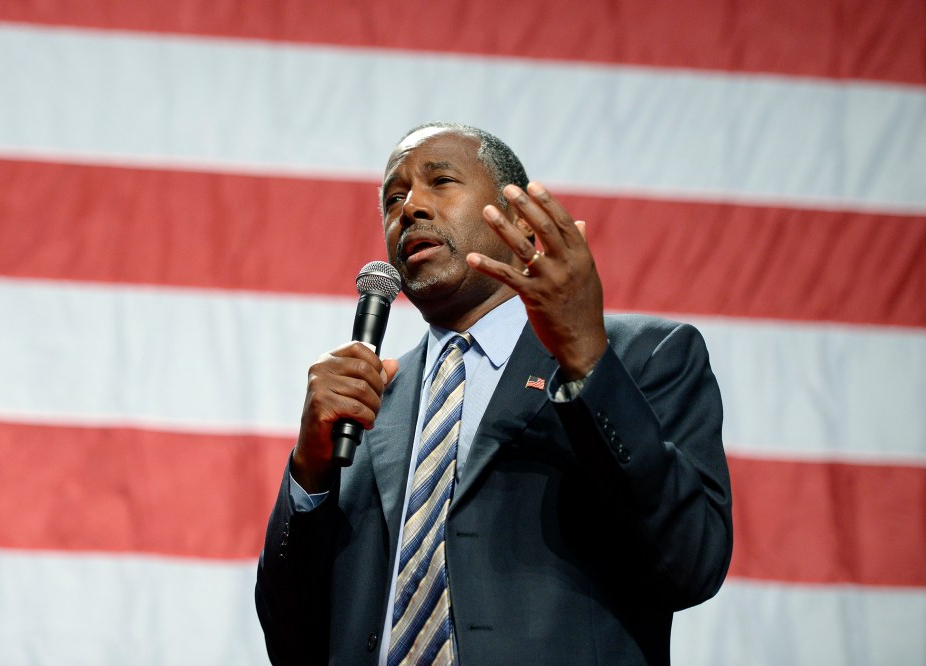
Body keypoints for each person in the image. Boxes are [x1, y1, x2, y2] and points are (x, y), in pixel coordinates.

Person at [255, 122, 732, 665]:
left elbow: (692, 563)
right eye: (393, 198)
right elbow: (292, 644)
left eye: (441, 181)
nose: (409, 208)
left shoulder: (640, 358)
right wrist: (309, 471)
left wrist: (586, 363)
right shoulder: (363, 408)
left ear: (519, 221)